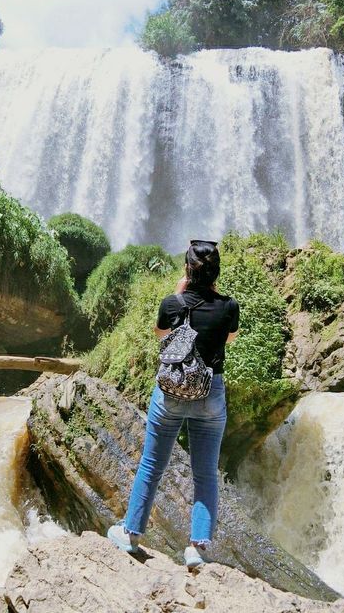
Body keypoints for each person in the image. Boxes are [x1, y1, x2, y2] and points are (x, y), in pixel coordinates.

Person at [107, 239, 239, 568]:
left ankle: (131, 533)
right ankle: (197, 548)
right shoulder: (228, 306)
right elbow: (230, 338)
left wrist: (180, 293)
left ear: (187, 270)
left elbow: (159, 333)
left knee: (152, 465)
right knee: (205, 473)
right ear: (215, 272)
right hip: (210, 393)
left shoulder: (172, 302)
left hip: (170, 393)